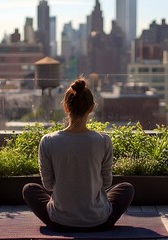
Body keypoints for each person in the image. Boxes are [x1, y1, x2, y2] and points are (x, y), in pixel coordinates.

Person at [22, 77, 134, 232]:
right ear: (91, 108)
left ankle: (67, 213)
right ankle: (93, 211)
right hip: (99, 221)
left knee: (29, 189)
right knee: (127, 188)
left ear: (66, 107)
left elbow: (48, 185)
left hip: (59, 222)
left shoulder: (48, 141)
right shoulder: (103, 140)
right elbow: (106, 183)